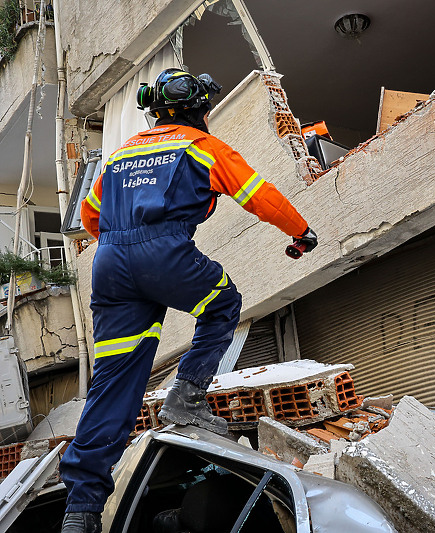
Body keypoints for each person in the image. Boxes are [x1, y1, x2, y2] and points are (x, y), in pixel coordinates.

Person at [58, 68, 318, 533]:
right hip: (165, 253)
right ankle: (187, 395)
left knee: (114, 382)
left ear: (155, 110)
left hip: (110, 265)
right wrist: (300, 232)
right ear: (199, 108)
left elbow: (89, 215)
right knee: (221, 305)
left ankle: (81, 510)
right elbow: (259, 195)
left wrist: (124, 249)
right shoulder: (202, 147)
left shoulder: (120, 156)